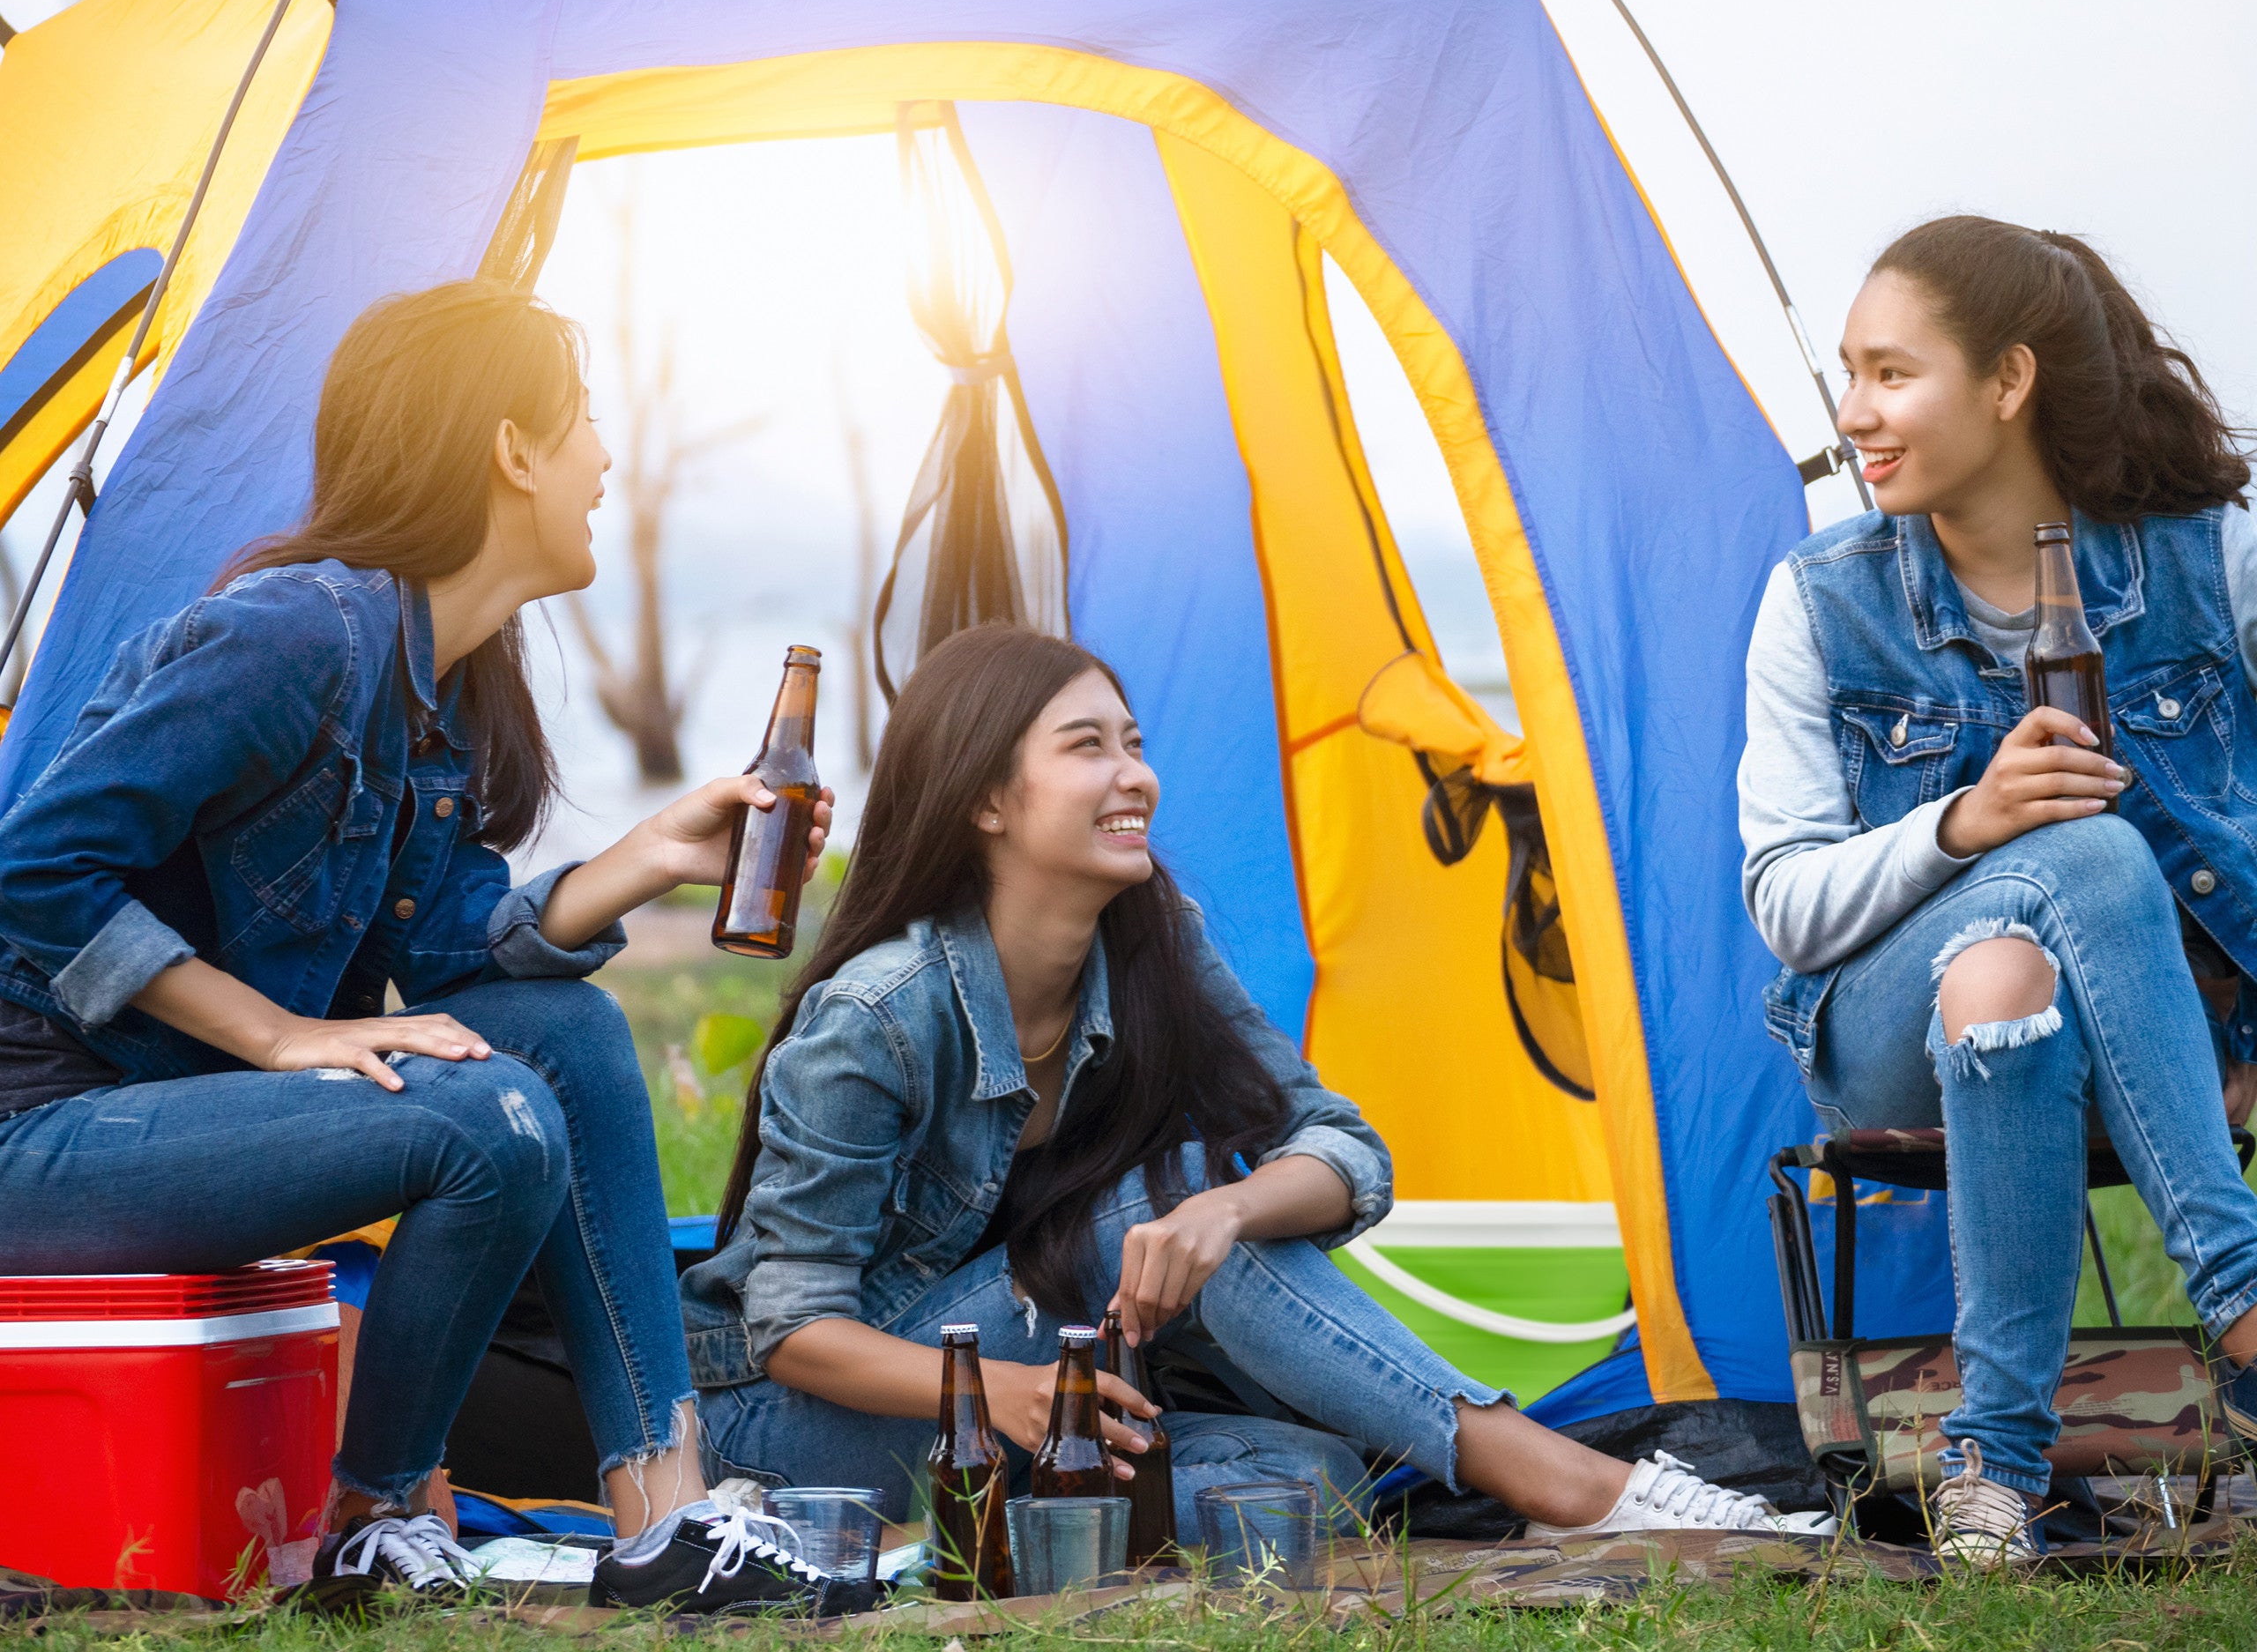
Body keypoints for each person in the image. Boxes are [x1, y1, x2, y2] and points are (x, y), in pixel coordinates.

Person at [0, 280, 861, 1618]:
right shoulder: (295, 635)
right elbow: (31, 867)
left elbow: (459, 949)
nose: (605, 459)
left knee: (562, 1039)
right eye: (583, 422)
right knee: (494, 1120)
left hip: (176, 1121)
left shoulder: (440, 694)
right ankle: (377, 1509)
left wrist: (647, 857)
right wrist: (288, 1037)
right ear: (510, 449)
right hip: (42, 1136)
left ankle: (664, 1510)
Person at [686, 621, 1832, 1543]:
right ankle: (1580, 1489)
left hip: (1039, 1401)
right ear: (988, 799)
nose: (1134, 773)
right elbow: (794, 1330)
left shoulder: (1153, 944)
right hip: (797, 1428)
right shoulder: (879, 1017)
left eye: (1132, 741)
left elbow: (1345, 1153)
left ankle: (1032, 1521)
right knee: (1157, 1193)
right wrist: (1019, 1398)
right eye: (1087, 748)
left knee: (1308, 1484)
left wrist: (1228, 1209)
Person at [1743, 216, 2257, 1564]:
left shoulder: (2208, 563)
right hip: (1880, 1038)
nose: (1856, 414)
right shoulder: (1820, 600)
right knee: (2082, 857)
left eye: (1891, 374)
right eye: (1847, 376)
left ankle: (1992, 1463)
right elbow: (1787, 902)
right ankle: (2247, 1301)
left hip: (2166, 1034)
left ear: (2009, 382)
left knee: (2005, 984)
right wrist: (1962, 823)